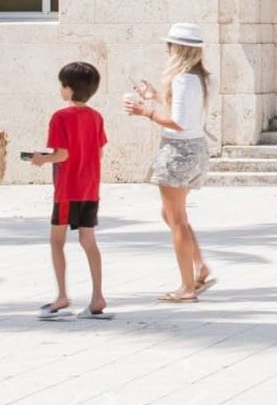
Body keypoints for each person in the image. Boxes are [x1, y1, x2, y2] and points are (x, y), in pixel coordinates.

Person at [123, 22, 213, 301]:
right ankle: (200, 266)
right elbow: (183, 109)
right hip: (195, 150)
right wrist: (156, 97)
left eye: (170, 45)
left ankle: (187, 286)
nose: (167, 49)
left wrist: (145, 112)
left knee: (177, 220)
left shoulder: (183, 79)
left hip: (178, 151)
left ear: (178, 50)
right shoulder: (199, 77)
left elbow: (178, 123)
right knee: (173, 216)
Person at [25, 61, 109, 319]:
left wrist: (41, 159)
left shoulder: (60, 117)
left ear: (69, 89)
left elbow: (62, 154)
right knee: (88, 241)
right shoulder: (96, 117)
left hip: (67, 189)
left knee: (57, 241)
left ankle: (62, 295)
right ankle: (97, 296)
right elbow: (98, 150)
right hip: (90, 188)